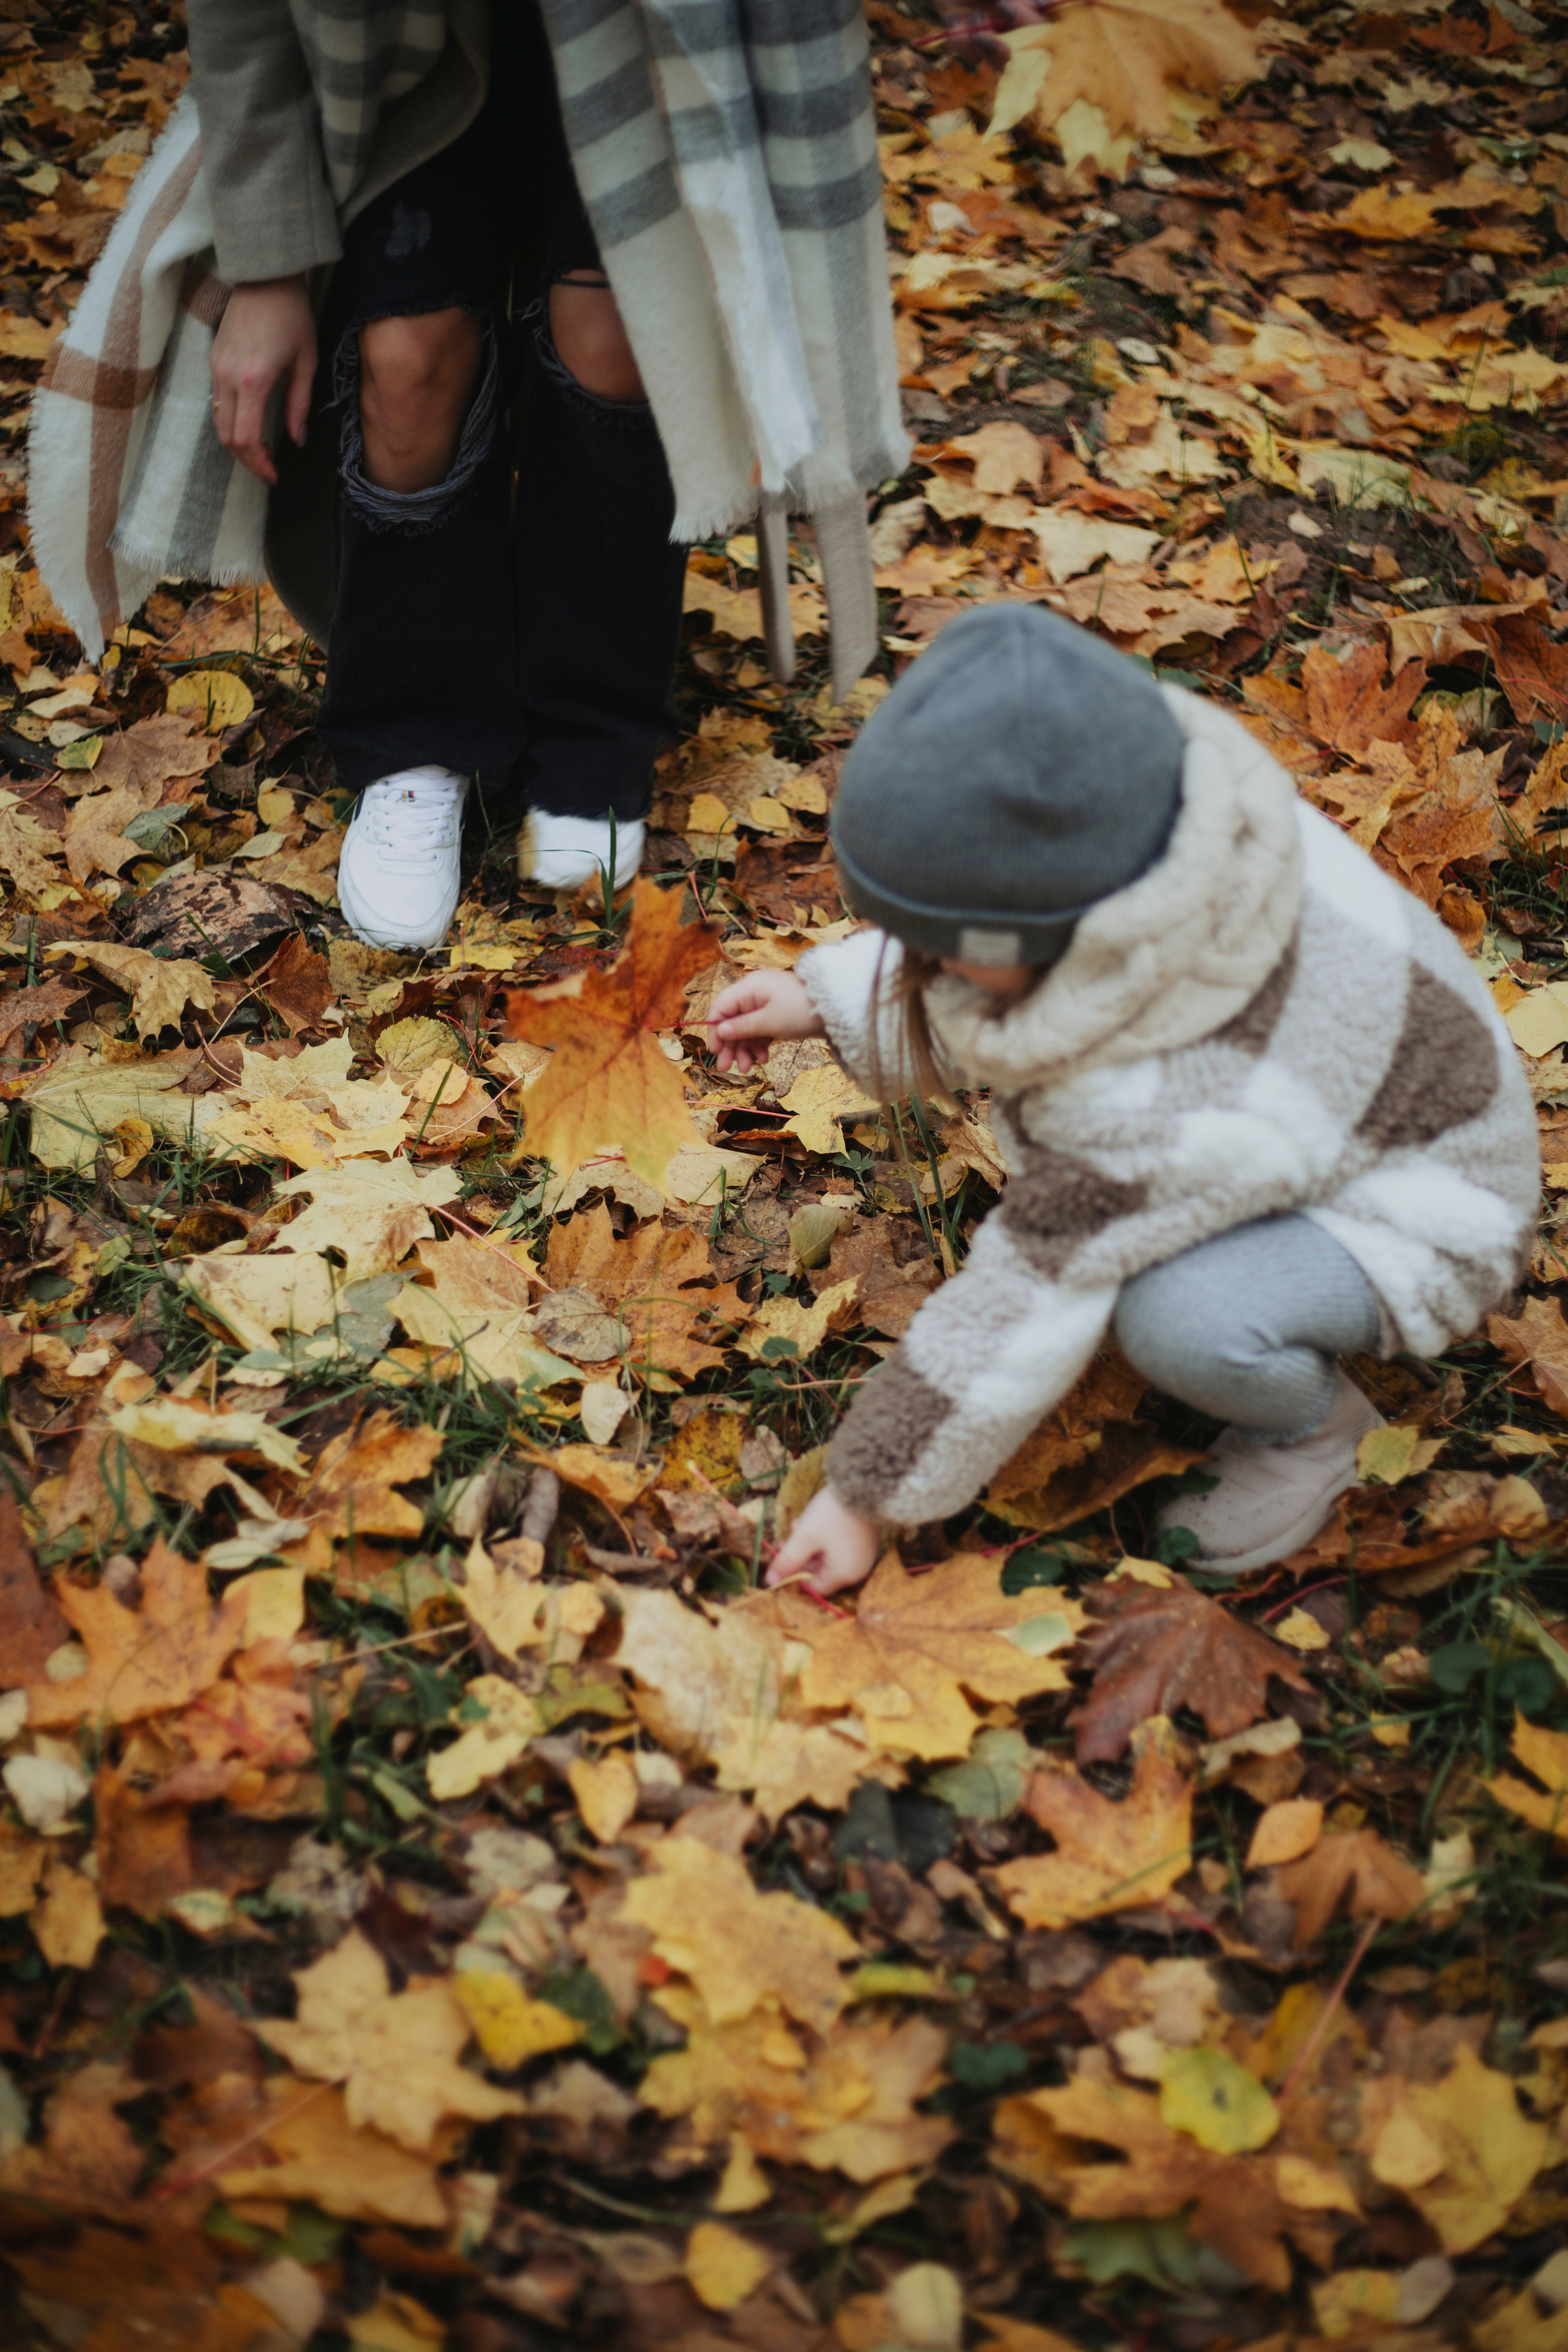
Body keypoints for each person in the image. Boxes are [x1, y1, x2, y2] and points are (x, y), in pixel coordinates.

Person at [709, 606, 1540, 1594]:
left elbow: (1032, 1291)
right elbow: (992, 936)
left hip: (1424, 1211)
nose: (921, 966)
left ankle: (1315, 1431)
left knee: (1176, 1313)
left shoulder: (1184, 1090)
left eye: (933, 950)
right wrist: (827, 998)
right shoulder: (1153, 825)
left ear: (1057, 935)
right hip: (1326, 1119)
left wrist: (863, 1497)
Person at [188, 0, 689, 947]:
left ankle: (593, 728)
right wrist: (264, 269)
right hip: (395, 51)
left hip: (633, 33)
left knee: (612, 339)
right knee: (406, 361)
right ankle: (415, 730)